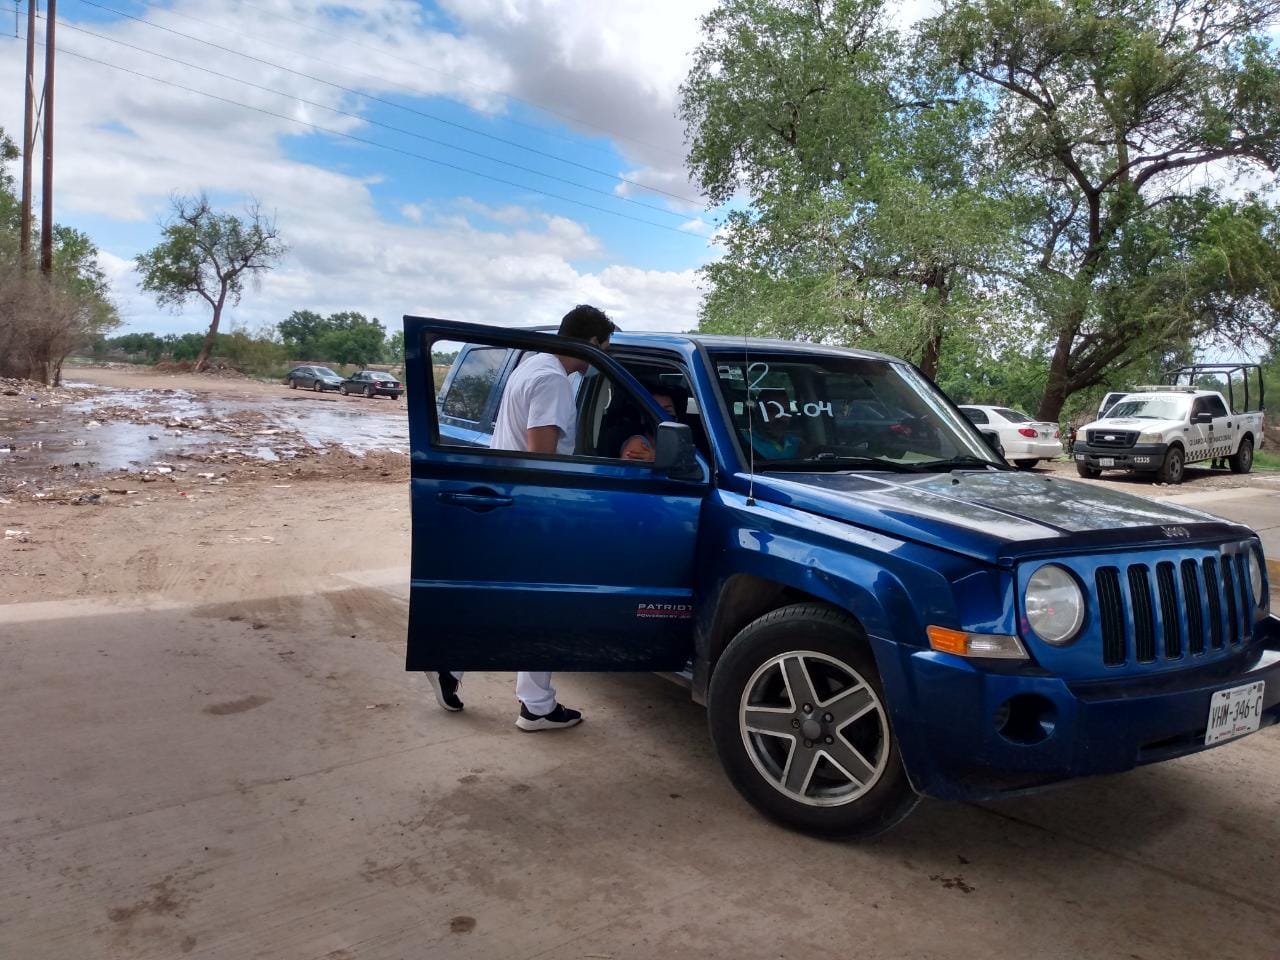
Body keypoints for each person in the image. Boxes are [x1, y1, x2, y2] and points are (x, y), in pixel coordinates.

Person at [427, 304, 618, 731]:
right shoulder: (553, 381)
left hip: (509, 501)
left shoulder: (530, 367)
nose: (602, 359)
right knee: (542, 605)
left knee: (511, 601)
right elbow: (540, 455)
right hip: (533, 508)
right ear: (591, 343)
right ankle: (535, 705)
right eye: (604, 349)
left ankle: (452, 664)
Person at [619, 392, 678, 462]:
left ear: (677, 419)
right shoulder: (638, 443)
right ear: (643, 419)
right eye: (655, 411)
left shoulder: (676, 445)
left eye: (667, 411)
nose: (661, 416)